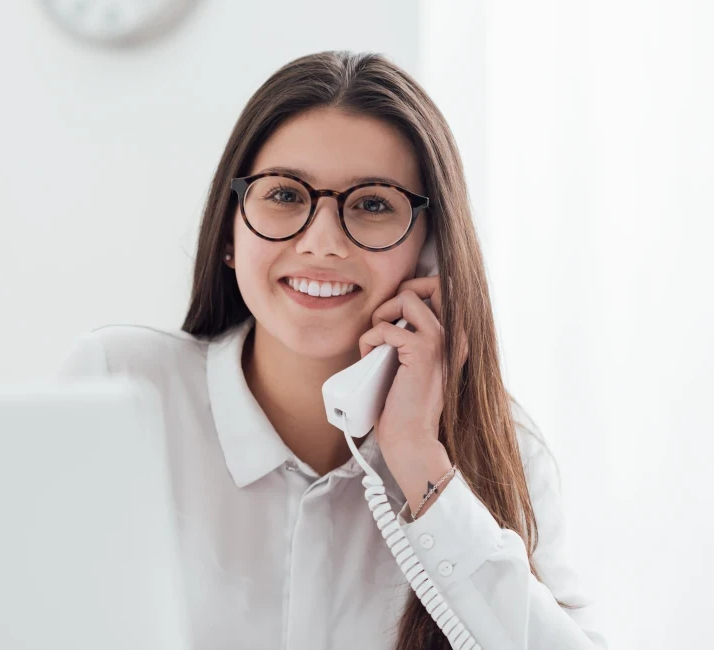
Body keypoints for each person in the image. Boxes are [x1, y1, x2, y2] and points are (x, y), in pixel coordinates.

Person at [58, 51, 607, 650]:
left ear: (430, 255)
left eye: (373, 204)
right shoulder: (121, 387)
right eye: (285, 196)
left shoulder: (503, 449)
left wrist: (420, 462)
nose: (321, 243)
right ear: (228, 234)